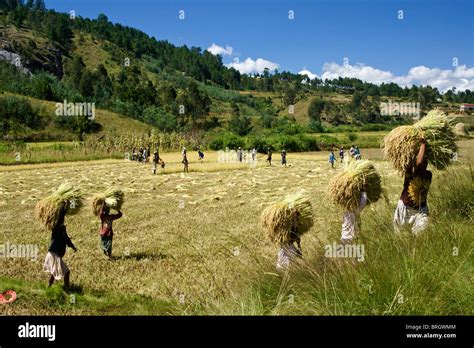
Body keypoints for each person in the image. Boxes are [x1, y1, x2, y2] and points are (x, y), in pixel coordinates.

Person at [393, 139, 432, 235]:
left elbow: (419, 163)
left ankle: (417, 249)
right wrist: (422, 144)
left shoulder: (428, 174)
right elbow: (417, 163)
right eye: (423, 160)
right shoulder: (409, 174)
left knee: (421, 234)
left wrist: (422, 145)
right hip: (405, 209)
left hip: (421, 211)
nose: (423, 162)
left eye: (425, 161)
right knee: (401, 236)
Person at [43, 202, 77, 291]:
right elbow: (61, 215)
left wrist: (72, 246)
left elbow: (66, 239)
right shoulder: (56, 228)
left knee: (54, 272)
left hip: (55, 253)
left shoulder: (62, 228)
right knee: (67, 272)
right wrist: (65, 205)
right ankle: (67, 290)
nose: (63, 220)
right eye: (61, 219)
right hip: (54, 253)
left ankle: (48, 287)